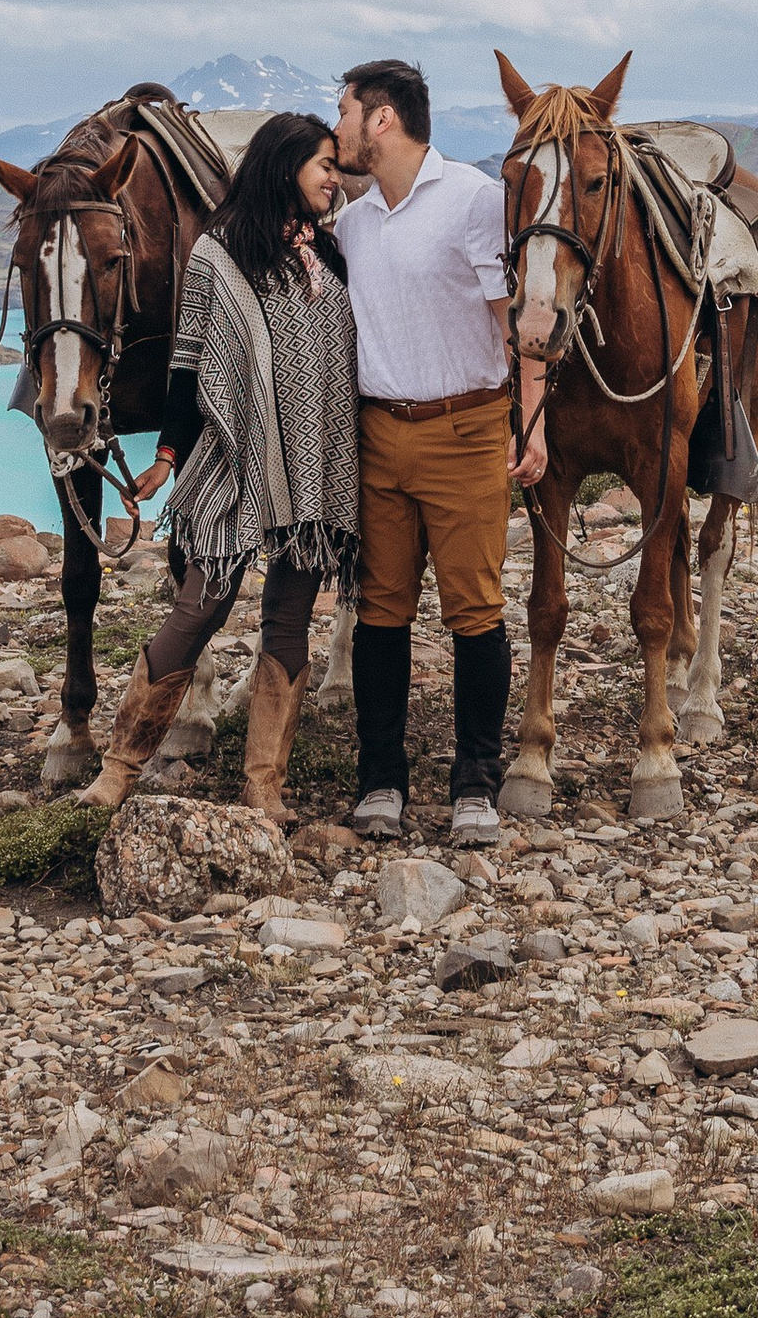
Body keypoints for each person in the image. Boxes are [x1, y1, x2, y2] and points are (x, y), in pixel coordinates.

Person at [76, 110, 360, 821]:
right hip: (235, 460)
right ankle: (119, 768)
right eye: (323, 163)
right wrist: (168, 455)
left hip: (315, 470)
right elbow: (187, 366)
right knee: (197, 609)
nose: (334, 176)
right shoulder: (217, 255)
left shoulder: (333, 258)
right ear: (283, 166)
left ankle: (264, 786)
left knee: (289, 622)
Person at [333, 55, 550, 844]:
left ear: (381, 118)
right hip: (378, 434)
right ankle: (381, 781)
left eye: (345, 113)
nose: (339, 128)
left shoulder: (473, 200)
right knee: (381, 613)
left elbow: (516, 318)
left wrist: (532, 421)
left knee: (474, 613)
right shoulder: (353, 222)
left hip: (467, 431)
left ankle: (473, 788)